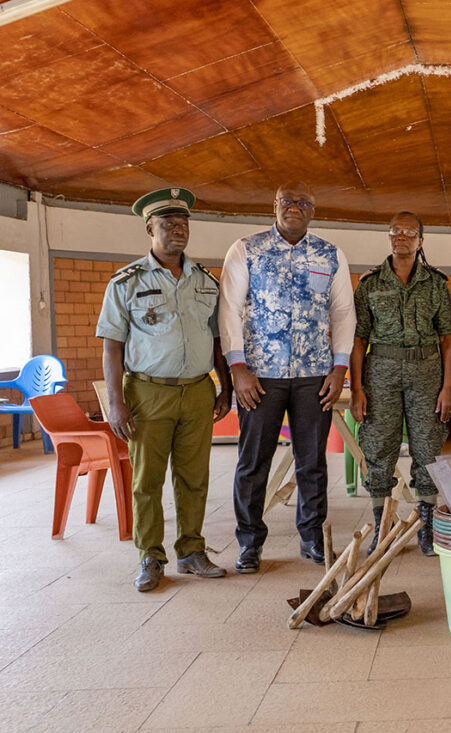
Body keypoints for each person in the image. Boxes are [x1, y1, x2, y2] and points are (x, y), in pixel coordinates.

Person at [97, 187, 232, 592]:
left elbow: (217, 341)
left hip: (196, 392)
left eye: (183, 223)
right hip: (146, 393)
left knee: (194, 477)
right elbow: (112, 346)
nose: (178, 230)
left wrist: (224, 386)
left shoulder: (207, 281)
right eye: (168, 224)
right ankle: (151, 557)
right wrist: (116, 403)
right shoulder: (126, 282)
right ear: (149, 229)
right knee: (147, 480)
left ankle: (191, 551)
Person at [219, 183, 355, 573]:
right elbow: (229, 309)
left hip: (316, 373)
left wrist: (340, 366)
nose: (294, 208)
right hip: (260, 375)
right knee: (253, 461)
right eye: (287, 201)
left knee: (311, 461)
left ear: (313, 210)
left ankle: (312, 537)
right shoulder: (246, 249)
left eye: (303, 203)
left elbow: (343, 311)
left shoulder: (330, 254)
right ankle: (249, 542)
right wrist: (238, 367)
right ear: (273, 205)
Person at [349, 212, 451, 556]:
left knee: (428, 447)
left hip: (427, 371)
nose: (402, 237)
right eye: (396, 231)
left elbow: (448, 341)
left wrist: (448, 387)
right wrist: (356, 389)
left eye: (410, 233)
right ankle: (383, 524)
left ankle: (426, 525)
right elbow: (357, 340)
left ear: (421, 240)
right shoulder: (370, 284)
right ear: (389, 237)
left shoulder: (437, 284)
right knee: (379, 446)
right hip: (381, 370)